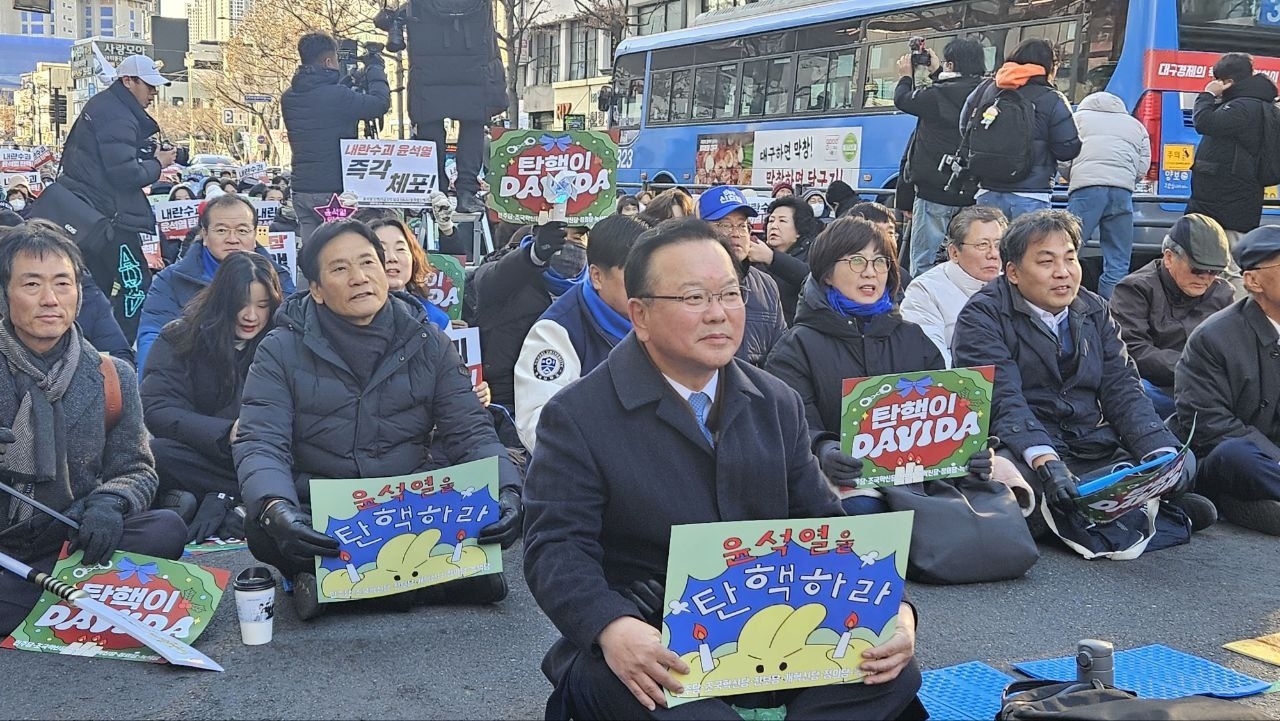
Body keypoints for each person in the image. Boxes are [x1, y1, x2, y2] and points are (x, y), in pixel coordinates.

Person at [522, 217, 924, 720]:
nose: (719, 314)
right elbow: (555, 548)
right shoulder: (577, 415)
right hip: (655, 640)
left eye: (730, 294)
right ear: (640, 315)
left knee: (892, 674)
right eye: (693, 298)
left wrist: (898, 611)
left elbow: (827, 528)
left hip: (777, 631)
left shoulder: (776, 401)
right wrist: (612, 627)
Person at [233, 219, 524, 619]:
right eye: (339, 269)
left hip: (413, 505)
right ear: (315, 290)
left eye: (368, 263)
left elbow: (471, 432)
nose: (359, 278)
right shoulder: (279, 349)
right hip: (325, 508)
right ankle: (442, 583)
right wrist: (276, 507)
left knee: (491, 508)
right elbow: (261, 441)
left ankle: (339, 588)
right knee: (262, 526)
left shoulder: (428, 340)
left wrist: (508, 491)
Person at [951, 210, 1213, 535]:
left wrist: (1161, 451)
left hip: (1090, 443)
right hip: (1022, 445)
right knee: (1020, 490)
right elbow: (1003, 399)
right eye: (1046, 262)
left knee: (1176, 467)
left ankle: (1111, 503)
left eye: (1070, 259)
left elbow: (1124, 389)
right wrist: (1046, 461)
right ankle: (1134, 510)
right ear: (1013, 272)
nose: (1063, 273)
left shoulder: (1094, 309)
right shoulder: (982, 315)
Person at [0, 223, 185, 636]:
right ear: (4, 293)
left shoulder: (110, 374)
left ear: (79, 294)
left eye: (63, 283)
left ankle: (41, 597)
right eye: (31, 284)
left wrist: (109, 505)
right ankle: (78, 596)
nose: (50, 300)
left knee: (166, 528)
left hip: (71, 534)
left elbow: (136, 468)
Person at [765, 217, 949, 515]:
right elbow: (791, 424)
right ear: (826, 273)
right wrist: (824, 449)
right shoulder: (797, 346)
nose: (870, 272)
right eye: (856, 261)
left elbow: (945, 409)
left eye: (880, 262)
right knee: (864, 508)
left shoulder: (912, 338)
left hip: (916, 473)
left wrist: (970, 449)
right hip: (843, 480)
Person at [142, 252, 284, 542]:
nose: (251, 316)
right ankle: (233, 497)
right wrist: (224, 432)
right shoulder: (181, 337)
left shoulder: (282, 340)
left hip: (269, 455)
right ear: (222, 301)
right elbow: (159, 408)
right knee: (158, 454)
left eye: (262, 306)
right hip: (206, 453)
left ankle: (222, 497)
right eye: (241, 304)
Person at [55, 54, 177, 342]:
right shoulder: (117, 114)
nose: (153, 93)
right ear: (128, 81)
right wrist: (158, 163)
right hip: (110, 220)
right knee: (135, 285)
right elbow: (123, 173)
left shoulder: (107, 107)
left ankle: (86, 346)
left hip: (95, 217)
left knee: (94, 285)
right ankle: (116, 348)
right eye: (148, 86)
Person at [1172, 226, 1280, 535]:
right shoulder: (1214, 337)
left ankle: (1259, 501)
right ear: (1252, 281)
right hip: (1238, 455)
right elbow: (1210, 425)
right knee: (1234, 455)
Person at [514, 215, 646, 451]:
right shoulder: (555, 331)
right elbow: (539, 425)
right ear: (597, 276)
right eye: (632, 274)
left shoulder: (662, 316)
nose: (645, 285)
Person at [135, 194, 297, 374]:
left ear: (255, 233)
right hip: (194, 380)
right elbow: (153, 336)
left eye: (242, 231)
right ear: (204, 234)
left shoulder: (278, 277)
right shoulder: (172, 280)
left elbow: (290, 335)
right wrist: (154, 384)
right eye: (221, 230)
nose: (232, 239)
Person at [1111, 214, 1233, 419]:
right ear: (1168, 257)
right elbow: (1132, 349)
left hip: (1210, 387)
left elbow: (1236, 348)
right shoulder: (1135, 288)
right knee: (1137, 390)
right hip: (1159, 386)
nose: (1206, 277)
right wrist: (1195, 367)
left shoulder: (1222, 292)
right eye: (1198, 269)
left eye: (1215, 271)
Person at [281, 32, 391, 243]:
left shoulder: (289, 97)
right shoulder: (339, 96)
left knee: (311, 256)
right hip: (334, 192)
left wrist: (348, 82)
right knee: (340, 252)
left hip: (302, 189)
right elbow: (379, 104)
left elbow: (323, 107)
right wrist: (376, 69)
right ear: (329, 61)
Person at [399, 0, 504, 213]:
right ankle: (466, 193)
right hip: (474, 75)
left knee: (430, 129)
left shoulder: (417, 5)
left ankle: (435, 188)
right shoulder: (481, 4)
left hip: (428, 77)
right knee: (473, 129)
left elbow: (390, 21)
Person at [894, 37, 987, 275]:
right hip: (972, 190)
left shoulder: (937, 96)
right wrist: (938, 72)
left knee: (924, 262)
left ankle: (923, 306)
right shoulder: (987, 94)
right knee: (968, 261)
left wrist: (906, 76)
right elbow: (953, 94)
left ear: (951, 65)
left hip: (935, 190)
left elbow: (903, 99)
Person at [962, 39, 1081, 220]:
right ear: (1048, 66)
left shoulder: (985, 89)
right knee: (1029, 247)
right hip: (1031, 193)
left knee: (990, 247)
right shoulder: (1052, 98)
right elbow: (1068, 148)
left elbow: (965, 129)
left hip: (987, 190)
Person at [475, 222, 587, 410]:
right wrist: (535, 255)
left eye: (576, 237)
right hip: (506, 401)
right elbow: (492, 279)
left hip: (570, 399)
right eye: (559, 236)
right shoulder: (506, 275)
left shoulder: (595, 287)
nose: (566, 243)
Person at [1061, 91, 1150, 298]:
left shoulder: (1078, 119)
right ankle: (1111, 314)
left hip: (1086, 189)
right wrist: (1127, 180)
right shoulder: (1135, 124)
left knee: (1066, 250)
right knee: (1118, 260)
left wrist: (1070, 175)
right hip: (1122, 193)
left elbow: (1064, 155)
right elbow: (1143, 163)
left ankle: (1066, 305)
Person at [1186, 53, 1279, 239]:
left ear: (1228, 81)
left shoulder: (1243, 106)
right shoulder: (1253, 103)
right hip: (1229, 201)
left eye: (1219, 80)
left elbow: (1204, 122)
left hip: (1225, 202)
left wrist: (1208, 94)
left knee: (1224, 260)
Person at [900, 206, 1008, 364]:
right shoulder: (925, 291)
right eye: (982, 245)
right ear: (954, 253)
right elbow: (933, 360)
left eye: (998, 245)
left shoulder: (1014, 284)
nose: (993, 254)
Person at [697, 186, 786, 366]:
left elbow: (782, 354)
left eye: (742, 225)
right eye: (725, 225)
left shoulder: (765, 285)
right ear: (700, 230)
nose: (736, 233)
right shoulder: (687, 282)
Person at [367, 217, 453, 331]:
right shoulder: (347, 315)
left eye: (400, 249)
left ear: (413, 257)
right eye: (382, 249)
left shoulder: (437, 320)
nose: (392, 258)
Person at [757, 195, 821, 324]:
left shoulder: (814, 252)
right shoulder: (757, 253)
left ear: (799, 229)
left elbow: (810, 278)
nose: (774, 226)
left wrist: (772, 258)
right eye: (771, 221)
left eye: (782, 221)